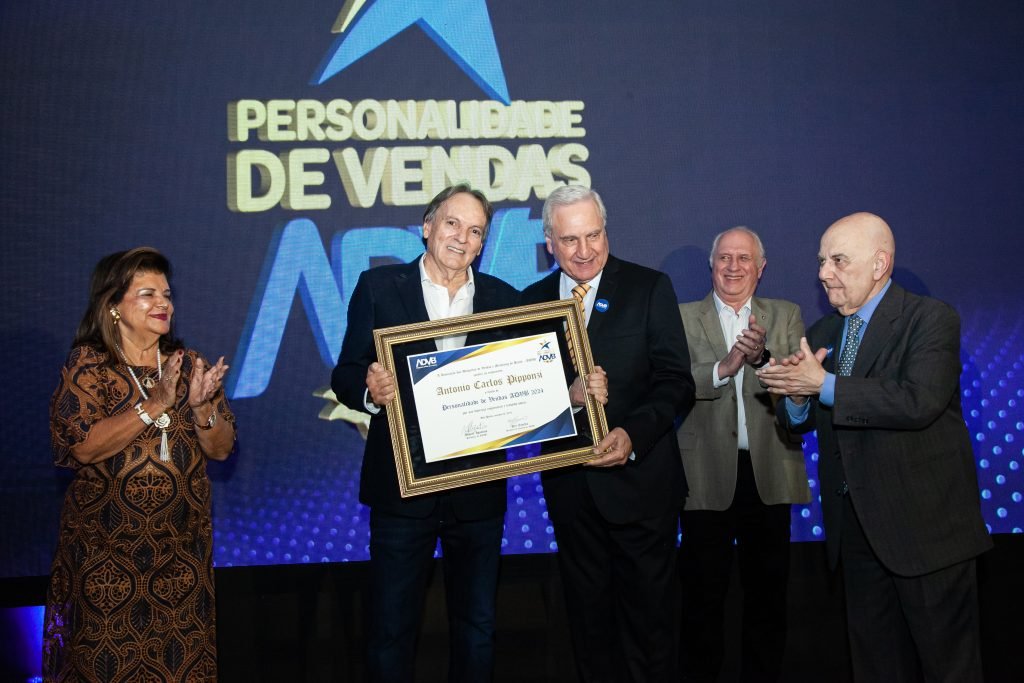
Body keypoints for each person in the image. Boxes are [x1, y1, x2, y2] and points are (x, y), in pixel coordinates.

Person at [757, 212, 992, 682]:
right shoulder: (824, 333)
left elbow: (918, 401)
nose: (824, 273)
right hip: (855, 533)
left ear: (880, 264)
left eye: (838, 260)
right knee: (875, 666)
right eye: (821, 261)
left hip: (926, 535)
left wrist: (822, 384)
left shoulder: (930, 319)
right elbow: (800, 420)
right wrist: (798, 399)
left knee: (949, 668)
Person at [331, 184, 519, 682]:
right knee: (390, 630)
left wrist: (568, 395)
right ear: (427, 226)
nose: (462, 238)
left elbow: (524, 382)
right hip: (401, 489)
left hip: (477, 492)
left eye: (475, 231)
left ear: (482, 243)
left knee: (477, 629)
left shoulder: (504, 299)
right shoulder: (378, 287)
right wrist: (369, 389)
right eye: (452, 223)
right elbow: (345, 372)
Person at [520, 185, 695, 683]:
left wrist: (632, 435)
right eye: (570, 240)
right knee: (589, 630)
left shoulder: (648, 287)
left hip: (642, 490)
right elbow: (517, 402)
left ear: (605, 231)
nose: (584, 251)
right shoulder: (529, 304)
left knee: (651, 628)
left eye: (593, 235)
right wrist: (566, 396)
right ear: (549, 242)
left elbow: (676, 383)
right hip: (571, 494)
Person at [43, 247, 235, 681]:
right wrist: (153, 405)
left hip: (180, 562)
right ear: (113, 306)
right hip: (105, 566)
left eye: (166, 294)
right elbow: (82, 447)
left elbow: (222, 449)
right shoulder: (90, 367)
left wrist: (201, 407)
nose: (163, 303)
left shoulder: (188, 365)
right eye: (147, 294)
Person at [676, 227, 809, 682]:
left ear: (761, 267)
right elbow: (673, 383)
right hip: (703, 476)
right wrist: (724, 366)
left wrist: (762, 359)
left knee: (768, 600)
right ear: (711, 265)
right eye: (724, 258)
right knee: (701, 600)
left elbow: (799, 388)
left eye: (744, 258)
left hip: (769, 473)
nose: (733, 267)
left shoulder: (786, 314)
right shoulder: (681, 317)